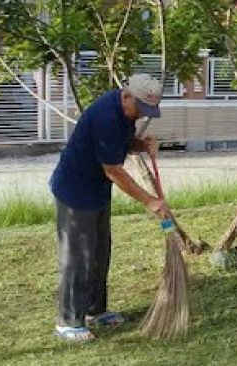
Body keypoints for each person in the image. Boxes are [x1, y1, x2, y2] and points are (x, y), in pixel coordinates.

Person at [49, 74, 170, 342]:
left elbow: (119, 145)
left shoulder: (125, 114)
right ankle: (68, 320)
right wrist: (150, 200)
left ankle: (95, 310)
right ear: (126, 95)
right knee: (77, 257)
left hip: (96, 190)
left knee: (99, 252)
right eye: (140, 108)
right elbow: (113, 170)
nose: (141, 115)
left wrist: (140, 144)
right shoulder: (107, 115)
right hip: (75, 191)